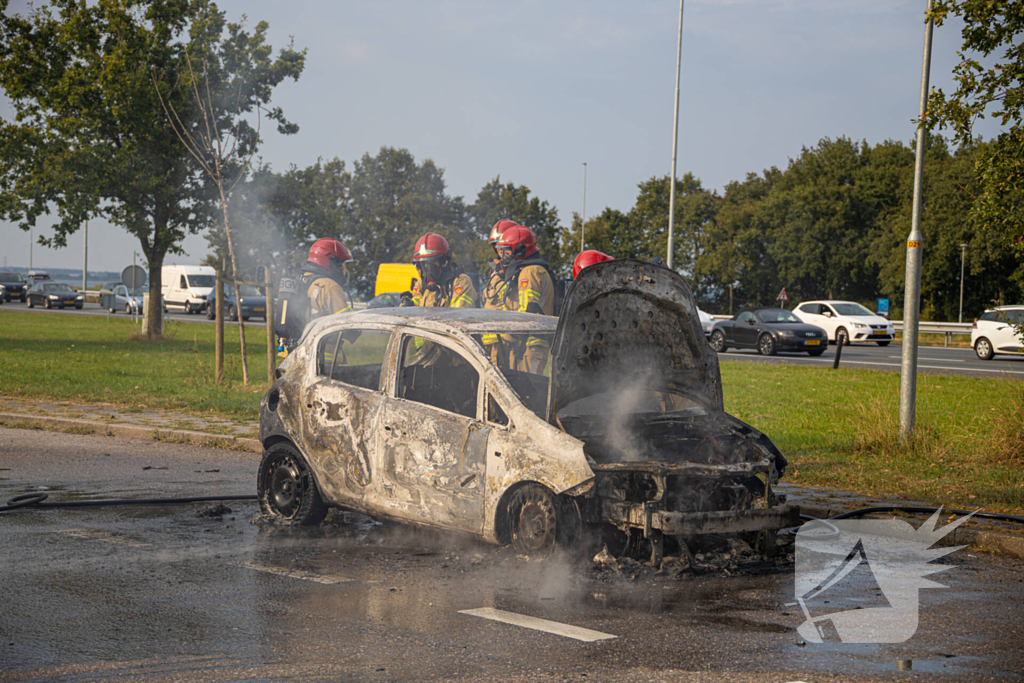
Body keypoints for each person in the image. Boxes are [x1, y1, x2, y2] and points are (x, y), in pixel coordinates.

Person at [496, 225, 556, 374]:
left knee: (529, 393)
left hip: (531, 346)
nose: (503, 256)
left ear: (521, 250)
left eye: (507, 251)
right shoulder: (526, 270)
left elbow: (526, 312)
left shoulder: (530, 271)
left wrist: (506, 337)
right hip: (523, 346)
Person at [481, 219, 519, 367]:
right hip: (490, 341)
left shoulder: (517, 272)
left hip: (504, 342)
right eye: (496, 246)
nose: (499, 251)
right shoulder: (494, 271)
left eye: (502, 246)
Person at [408, 232, 478, 308]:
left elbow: (458, 316)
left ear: (445, 261)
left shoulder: (460, 281)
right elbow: (413, 312)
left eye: (433, 261)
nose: (428, 267)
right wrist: (406, 305)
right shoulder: (421, 283)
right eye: (424, 263)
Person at [304, 237, 354, 318]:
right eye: (343, 265)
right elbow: (345, 324)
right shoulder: (331, 287)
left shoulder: (304, 278)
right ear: (334, 263)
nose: (345, 270)